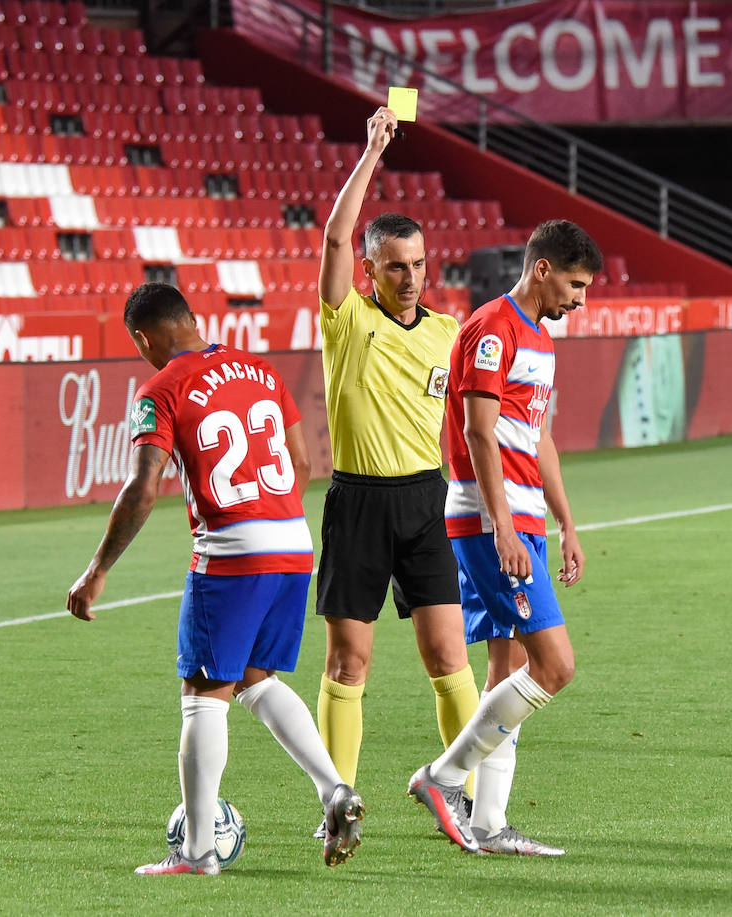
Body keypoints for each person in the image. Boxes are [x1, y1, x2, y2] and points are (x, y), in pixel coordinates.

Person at [67, 282, 364, 875]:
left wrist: (97, 568)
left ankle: (198, 850)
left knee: (202, 697)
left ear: (143, 338)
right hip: (292, 544)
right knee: (256, 679)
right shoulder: (259, 371)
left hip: (232, 551)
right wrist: (270, 515)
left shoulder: (159, 389)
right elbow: (303, 461)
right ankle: (334, 789)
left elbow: (142, 486)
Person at [408, 220, 602, 854]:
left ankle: (489, 824)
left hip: (524, 519)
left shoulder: (540, 339)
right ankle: (442, 777)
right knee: (555, 666)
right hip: (492, 521)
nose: (581, 299)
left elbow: (537, 436)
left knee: (509, 669)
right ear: (542, 269)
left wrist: (567, 521)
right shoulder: (492, 328)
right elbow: (478, 432)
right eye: (575, 284)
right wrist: (502, 526)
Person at [312, 106, 482, 809]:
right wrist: (374, 151)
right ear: (372, 269)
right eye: (394, 266)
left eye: (417, 264)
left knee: (449, 656)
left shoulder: (448, 330)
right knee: (349, 660)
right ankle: (336, 799)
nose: (409, 277)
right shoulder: (347, 322)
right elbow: (332, 241)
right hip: (357, 502)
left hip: (425, 502)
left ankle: (465, 795)